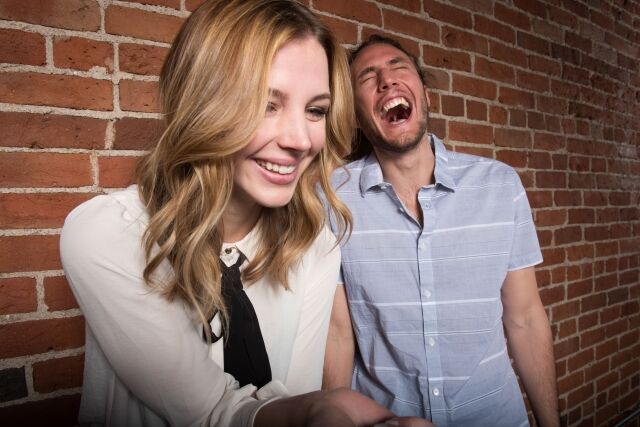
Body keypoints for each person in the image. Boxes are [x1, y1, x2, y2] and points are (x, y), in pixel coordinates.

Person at [60, 3, 432, 426]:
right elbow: (206, 411)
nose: (300, 140)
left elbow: (296, 399)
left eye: (315, 110)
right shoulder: (108, 233)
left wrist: (320, 410)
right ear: (201, 100)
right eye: (266, 103)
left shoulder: (316, 247)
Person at [324, 35, 560, 427]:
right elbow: (337, 334)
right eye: (368, 77)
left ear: (427, 96)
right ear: (356, 116)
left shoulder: (500, 185)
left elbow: (526, 318)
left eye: (399, 67)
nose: (386, 80)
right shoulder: (332, 198)